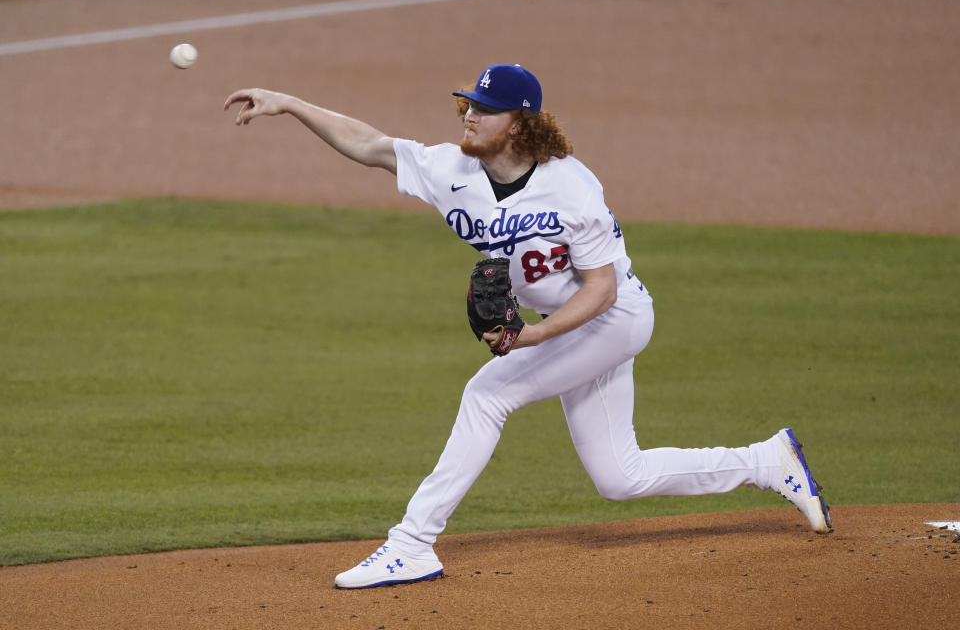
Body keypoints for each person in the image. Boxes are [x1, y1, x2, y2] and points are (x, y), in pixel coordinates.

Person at [224, 63, 832, 590]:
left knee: (488, 392)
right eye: (468, 104)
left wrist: (531, 338)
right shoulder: (449, 169)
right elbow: (373, 145)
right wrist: (289, 104)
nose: (468, 116)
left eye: (484, 110)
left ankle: (412, 544)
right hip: (571, 326)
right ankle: (765, 460)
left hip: (614, 318)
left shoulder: (572, 188)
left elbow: (602, 288)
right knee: (620, 477)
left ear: (517, 122)